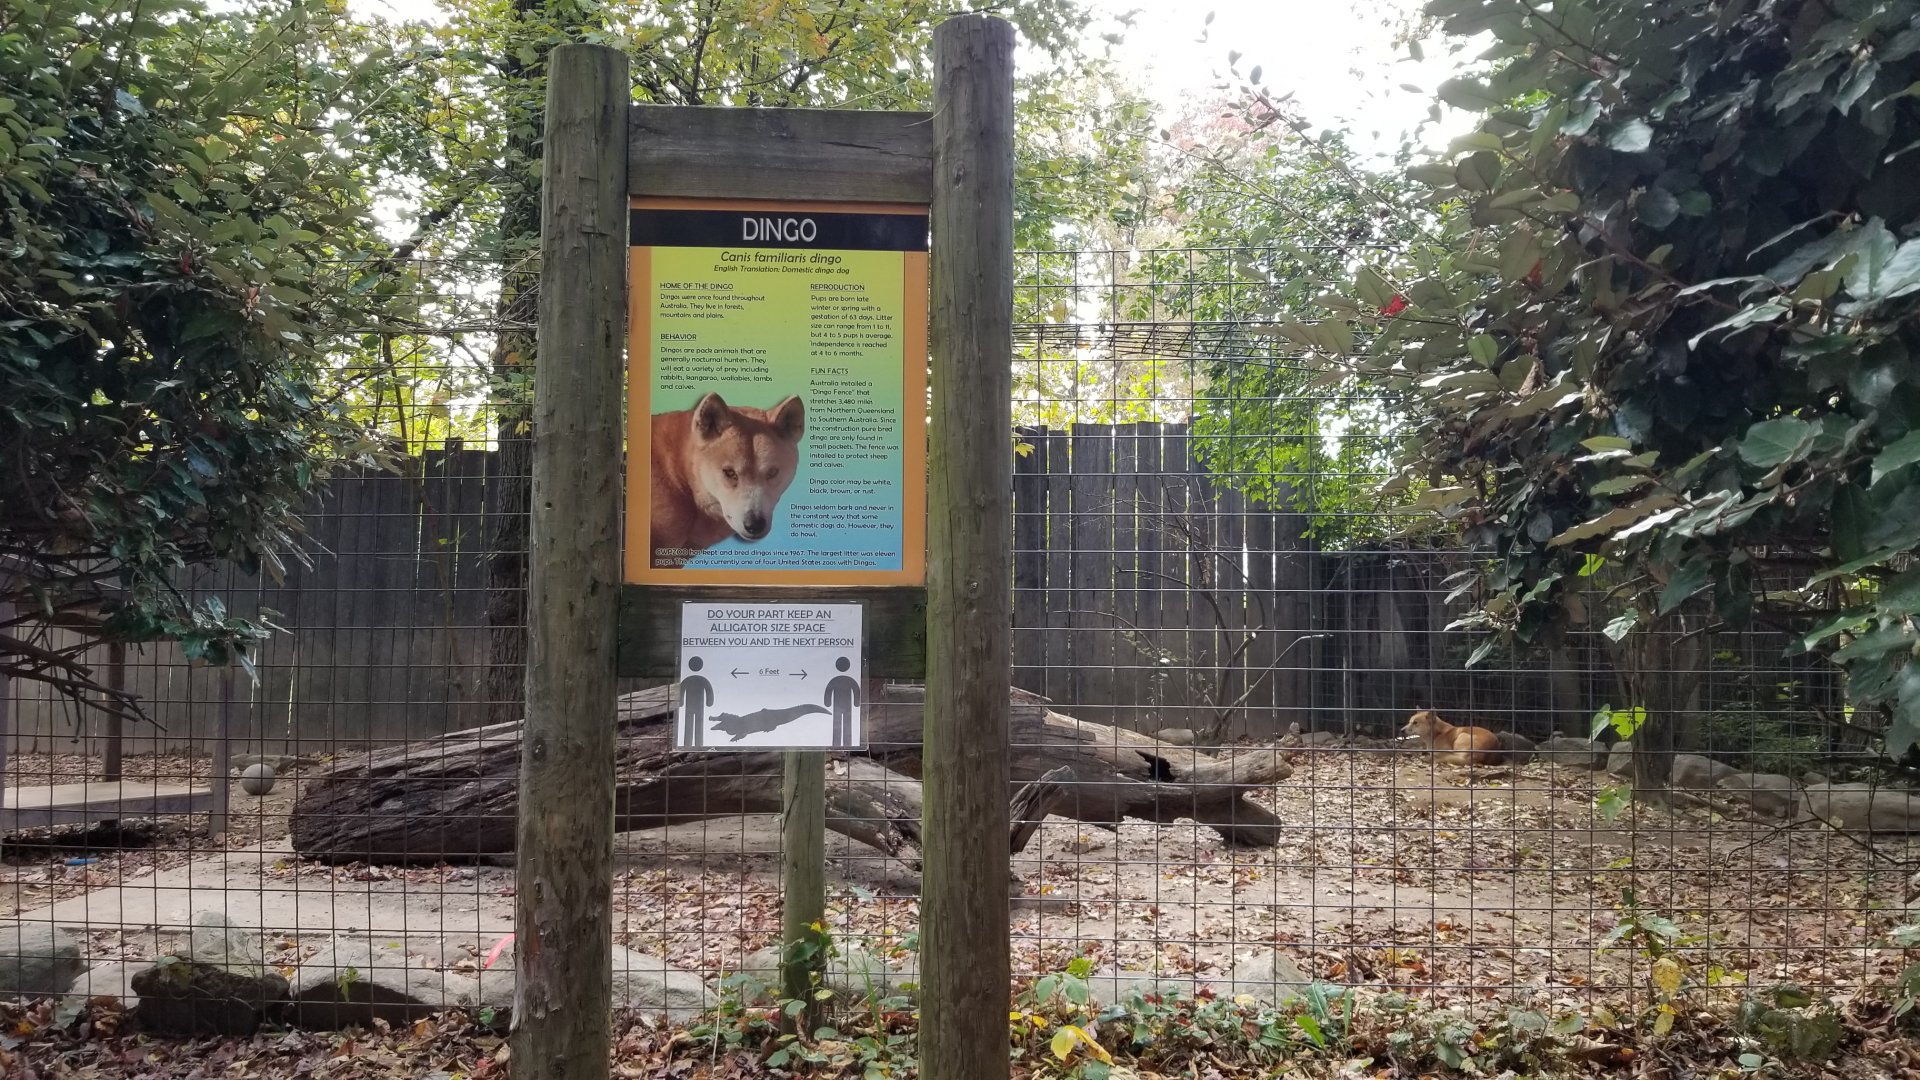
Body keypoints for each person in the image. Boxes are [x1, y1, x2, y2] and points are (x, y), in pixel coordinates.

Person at [823, 656, 861, 748]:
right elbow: (856, 690)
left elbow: (828, 691)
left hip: (839, 706)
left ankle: (838, 744)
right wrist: (856, 702)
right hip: (846, 706)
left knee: (838, 724)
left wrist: (828, 703)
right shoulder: (849, 680)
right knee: (846, 724)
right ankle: (846, 744)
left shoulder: (835, 680)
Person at [679, 656, 714, 748]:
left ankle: (693, 745)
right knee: (695, 725)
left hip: (692, 706)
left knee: (694, 725)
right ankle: (693, 745)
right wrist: (709, 702)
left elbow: (681, 690)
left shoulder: (688, 680)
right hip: (697, 707)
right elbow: (709, 690)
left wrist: (681, 702)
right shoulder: (701, 680)